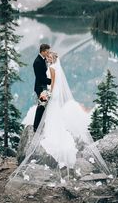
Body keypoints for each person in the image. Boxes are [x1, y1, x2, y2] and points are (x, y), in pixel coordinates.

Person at [7, 51, 110, 188]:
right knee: (53, 120)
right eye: (48, 57)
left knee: (52, 122)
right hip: (53, 98)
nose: (48, 59)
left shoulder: (52, 69)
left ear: (53, 59)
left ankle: (57, 145)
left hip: (52, 98)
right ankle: (58, 143)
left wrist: (46, 95)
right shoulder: (54, 69)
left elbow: (53, 86)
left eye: (50, 58)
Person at [33, 44, 52, 132]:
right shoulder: (37, 62)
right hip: (40, 87)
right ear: (43, 51)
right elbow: (40, 78)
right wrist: (51, 81)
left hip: (44, 86)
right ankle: (36, 127)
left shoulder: (43, 60)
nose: (48, 53)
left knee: (43, 107)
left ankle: (39, 124)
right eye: (47, 52)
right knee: (41, 106)